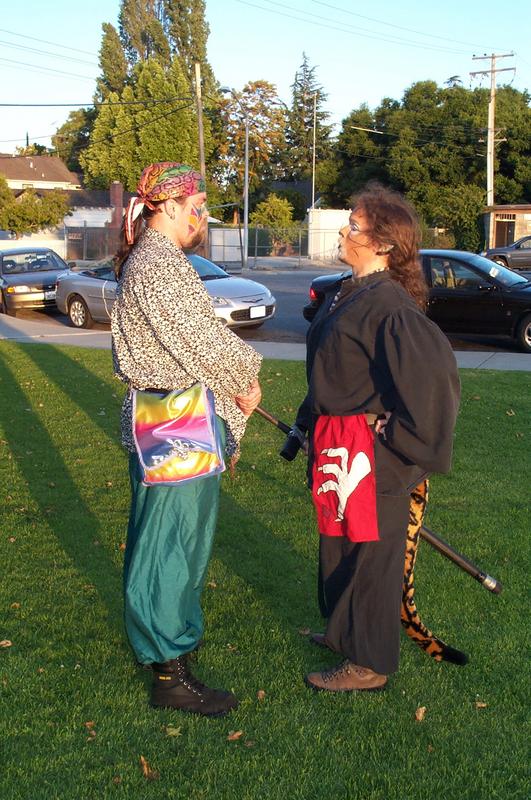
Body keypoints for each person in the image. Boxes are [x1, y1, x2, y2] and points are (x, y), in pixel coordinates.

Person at [111, 162, 262, 716]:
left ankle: (174, 644)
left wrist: (234, 381)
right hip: (171, 419)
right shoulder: (157, 263)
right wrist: (245, 377)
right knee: (168, 544)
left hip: (178, 414)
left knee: (183, 538)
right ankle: (169, 673)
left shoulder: (162, 258)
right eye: (196, 206)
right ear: (169, 207)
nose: (202, 216)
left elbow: (197, 338)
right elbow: (201, 340)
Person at [297, 183, 460, 692]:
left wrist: (395, 433)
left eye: (354, 226)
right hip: (339, 446)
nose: (343, 233)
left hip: (372, 460)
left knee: (369, 559)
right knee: (340, 548)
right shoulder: (350, 291)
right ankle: (344, 634)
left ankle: (368, 663)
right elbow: (332, 371)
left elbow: (433, 384)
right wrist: (307, 425)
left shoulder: (391, 307)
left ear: (384, 244)